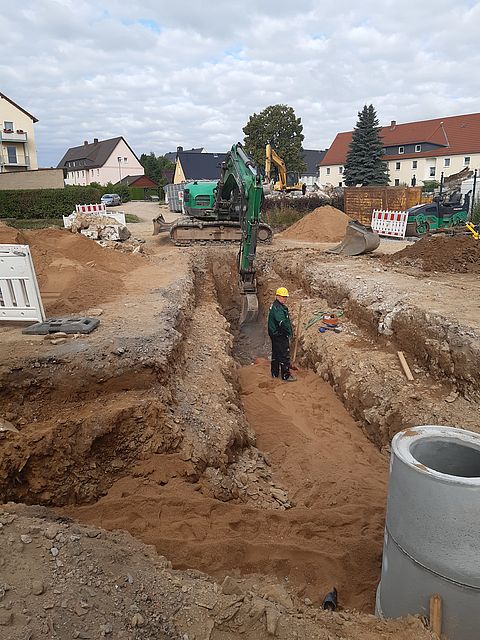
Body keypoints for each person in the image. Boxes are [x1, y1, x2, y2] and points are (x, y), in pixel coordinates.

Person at [268, 287, 297, 382]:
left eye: (285, 297)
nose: (285, 299)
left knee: (276, 353)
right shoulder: (278, 308)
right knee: (284, 354)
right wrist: (288, 332)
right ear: (277, 296)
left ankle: (274, 373)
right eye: (283, 297)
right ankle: (286, 375)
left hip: (274, 333)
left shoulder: (276, 305)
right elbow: (282, 322)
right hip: (279, 334)